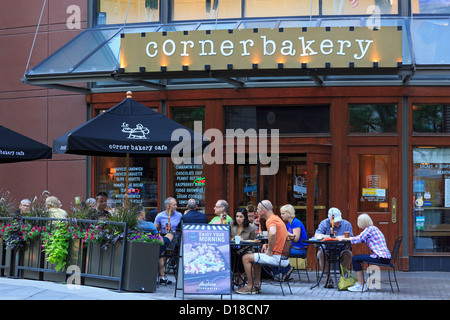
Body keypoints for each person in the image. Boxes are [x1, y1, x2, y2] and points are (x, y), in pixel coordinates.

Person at [236, 200, 289, 295]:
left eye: (258, 209)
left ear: (263, 210)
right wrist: (268, 245)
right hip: (282, 256)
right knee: (256, 258)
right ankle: (256, 285)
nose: (256, 211)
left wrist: (269, 250)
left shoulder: (271, 220)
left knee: (245, 257)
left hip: (277, 257)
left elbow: (273, 233)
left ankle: (250, 286)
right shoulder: (276, 218)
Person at [345, 213, 391, 292]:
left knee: (355, 259)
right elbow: (362, 239)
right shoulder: (374, 228)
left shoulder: (369, 229)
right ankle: (361, 283)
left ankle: (360, 284)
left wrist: (345, 239)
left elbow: (358, 239)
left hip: (380, 257)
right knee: (357, 258)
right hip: (384, 257)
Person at [314, 207, 353, 288]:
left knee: (348, 254)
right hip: (326, 250)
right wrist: (329, 236)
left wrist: (341, 237)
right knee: (320, 253)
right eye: (335, 221)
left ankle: (343, 278)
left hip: (341, 249)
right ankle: (329, 279)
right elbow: (317, 235)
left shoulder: (346, 224)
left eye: (338, 220)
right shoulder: (324, 223)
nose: (337, 223)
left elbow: (351, 238)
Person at [136, 206, 174, 285]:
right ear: (142, 214)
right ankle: (163, 277)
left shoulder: (132, 224)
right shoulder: (149, 225)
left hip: (138, 250)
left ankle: (163, 277)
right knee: (169, 235)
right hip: (152, 250)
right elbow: (161, 240)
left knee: (160, 252)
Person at [279, 204, 308, 279]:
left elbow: (296, 238)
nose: (281, 215)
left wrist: (284, 231)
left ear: (289, 213)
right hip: (292, 247)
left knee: (278, 252)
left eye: (283, 213)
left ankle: (287, 270)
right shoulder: (289, 223)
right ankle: (286, 270)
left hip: (300, 249)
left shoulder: (296, 222)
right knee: (276, 251)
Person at [230, 207, 256, 288]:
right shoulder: (231, 224)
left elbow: (253, 241)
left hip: (246, 248)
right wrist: (232, 239)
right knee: (230, 254)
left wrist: (243, 240)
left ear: (245, 217)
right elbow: (227, 236)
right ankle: (236, 276)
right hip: (233, 247)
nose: (238, 219)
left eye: (241, 217)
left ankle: (240, 278)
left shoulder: (250, 227)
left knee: (241, 255)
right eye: (237, 216)